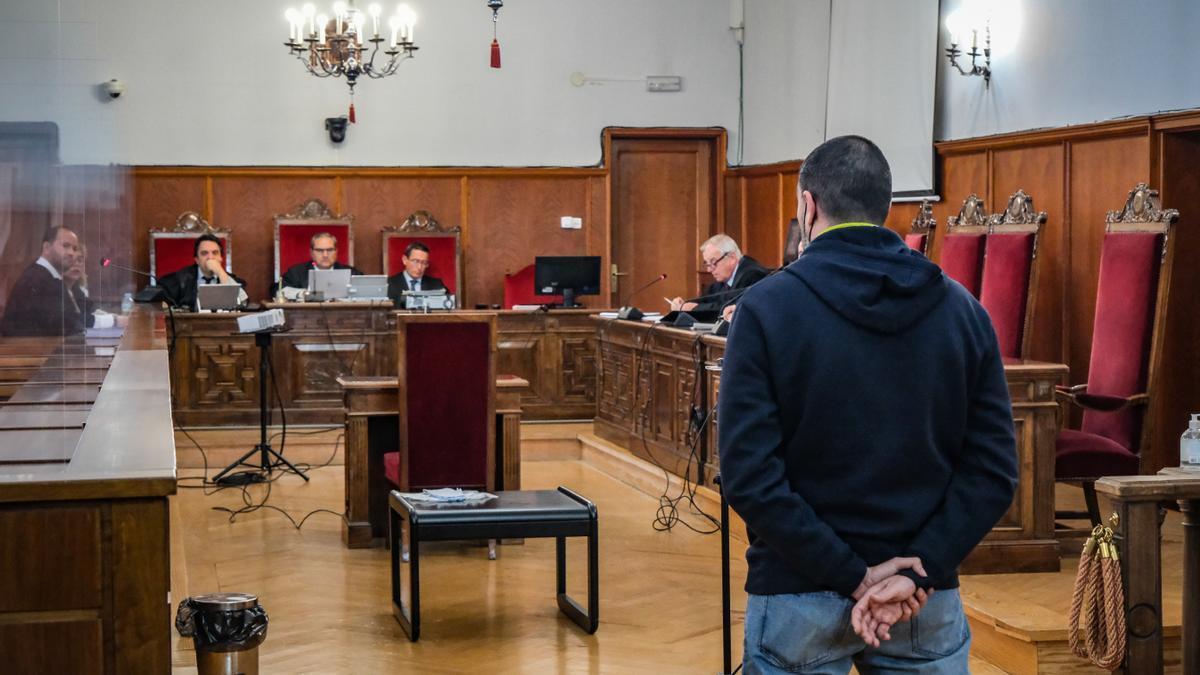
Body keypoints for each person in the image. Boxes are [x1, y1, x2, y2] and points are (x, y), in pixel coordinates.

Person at [718, 135, 1017, 673]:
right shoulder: (964, 311)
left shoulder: (765, 309)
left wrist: (853, 575)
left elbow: (749, 475)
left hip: (798, 588)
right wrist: (915, 573)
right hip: (920, 597)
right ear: (886, 208)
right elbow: (993, 471)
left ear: (808, 206)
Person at [0, 226, 122, 337]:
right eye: (65, 246)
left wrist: (114, 318)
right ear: (46, 248)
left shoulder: (50, 276)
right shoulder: (38, 278)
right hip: (27, 356)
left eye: (74, 249)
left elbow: (83, 310)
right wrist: (114, 320)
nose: (71, 253)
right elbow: (68, 322)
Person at [667, 234, 768, 315]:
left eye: (713, 262)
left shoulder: (752, 275)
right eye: (707, 263)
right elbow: (707, 301)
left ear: (732, 258)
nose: (709, 269)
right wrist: (684, 305)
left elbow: (731, 308)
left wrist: (694, 308)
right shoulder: (723, 278)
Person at [157, 234, 248, 310]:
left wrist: (220, 272)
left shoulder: (231, 280)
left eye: (215, 253)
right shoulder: (180, 280)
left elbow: (242, 303)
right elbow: (160, 300)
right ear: (196, 260)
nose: (210, 257)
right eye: (204, 253)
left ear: (221, 258)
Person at [275, 232, 361, 295]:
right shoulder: (296, 272)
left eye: (330, 250)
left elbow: (366, 292)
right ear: (311, 253)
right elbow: (276, 290)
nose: (325, 255)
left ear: (336, 252)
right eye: (320, 250)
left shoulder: (351, 272)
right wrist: (303, 294)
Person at [386, 241, 446, 306]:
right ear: (405, 260)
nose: (419, 267)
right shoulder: (388, 284)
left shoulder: (437, 285)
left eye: (424, 263)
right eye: (415, 261)